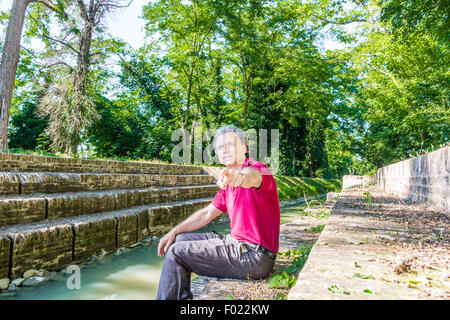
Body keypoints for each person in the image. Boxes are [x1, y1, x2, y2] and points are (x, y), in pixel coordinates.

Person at [156, 125, 280, 300]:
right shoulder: (228, 184)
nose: (225, 150)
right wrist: (174, 231)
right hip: (237, 244)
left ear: (244, 148)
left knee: (177, 253)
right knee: (179, 239)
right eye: (220, 147)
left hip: (255, 256)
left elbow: (251, 177)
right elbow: (206, 214)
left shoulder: (258, 168)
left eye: (230, 144)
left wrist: (238, 177)